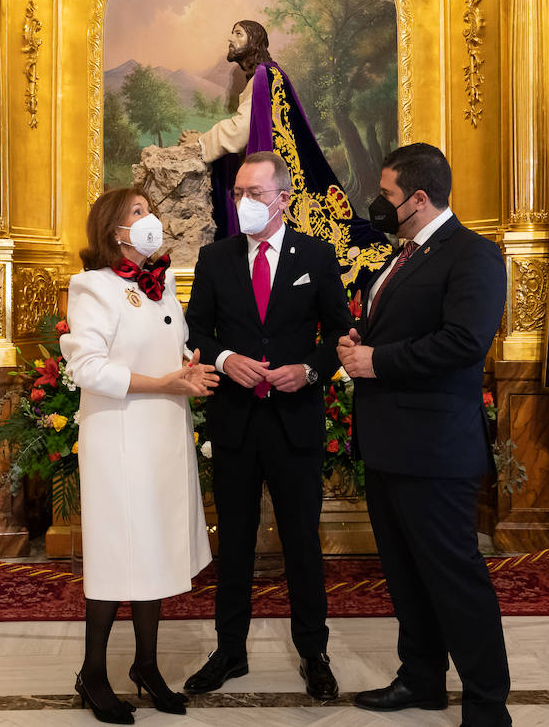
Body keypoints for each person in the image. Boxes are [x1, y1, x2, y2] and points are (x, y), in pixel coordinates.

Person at [337, 142, 511, 727]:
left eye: (387, 194)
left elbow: (464, 343)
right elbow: (396, 326)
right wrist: (357, 345)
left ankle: (487, 706)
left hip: (435, 451)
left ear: (417, 197)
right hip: (390, 446)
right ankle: (422, 679)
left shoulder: (473, 255)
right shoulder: (405, 253)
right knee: (407, 576)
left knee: (454, 581)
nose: (379, 205)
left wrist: (376, 362)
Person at [182, 151, 353, 701]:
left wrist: (308, 370)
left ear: (283, 198)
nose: (243, 204)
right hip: (234, 423)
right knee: (234, 543)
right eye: (237, 194)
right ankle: (229, 650)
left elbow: (341, 333)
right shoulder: (215, 258)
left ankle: (314, 652)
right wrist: (226, 356)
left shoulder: (317, 255)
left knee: (302, 543)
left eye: (254, 194)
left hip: (293, 423)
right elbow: (195, 330)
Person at [60, 187, 219, 724]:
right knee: (117, 556)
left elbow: (171, 349)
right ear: (113, 230)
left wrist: (188, 369)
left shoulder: (162, 284)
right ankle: (93, 672)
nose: (150, 219)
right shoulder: (91, 287)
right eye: (138, 212)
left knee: (154, 551)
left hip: (164, 434)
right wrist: (164, 382)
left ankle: (147, 666)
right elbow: (88, 369)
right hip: (120, 439)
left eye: (150, 210)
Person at [183, 20, 389, 287]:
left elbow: (240, 131)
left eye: (238, 34)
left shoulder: (264, 75)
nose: (230, 39)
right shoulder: (262, 77)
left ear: (254, 40)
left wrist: (200, 143)